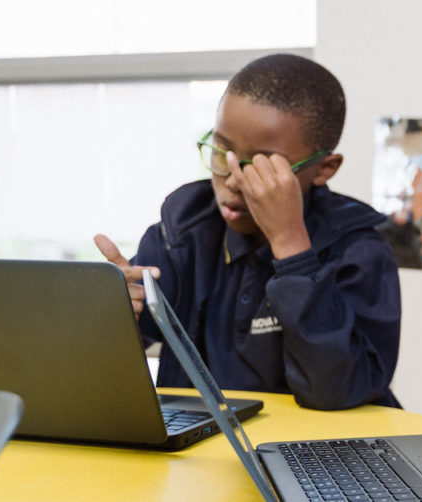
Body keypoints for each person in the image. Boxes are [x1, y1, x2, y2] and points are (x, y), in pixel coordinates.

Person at [94, 54, 401, 410]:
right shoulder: (182, 231)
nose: (232, 180)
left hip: (319, 442)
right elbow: (118, 352)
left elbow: (337, 390)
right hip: (211, 439)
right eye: (220, 151)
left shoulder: (360, 250)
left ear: (324, 168)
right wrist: (111, 314)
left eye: (260, 166)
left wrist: (291, 247)